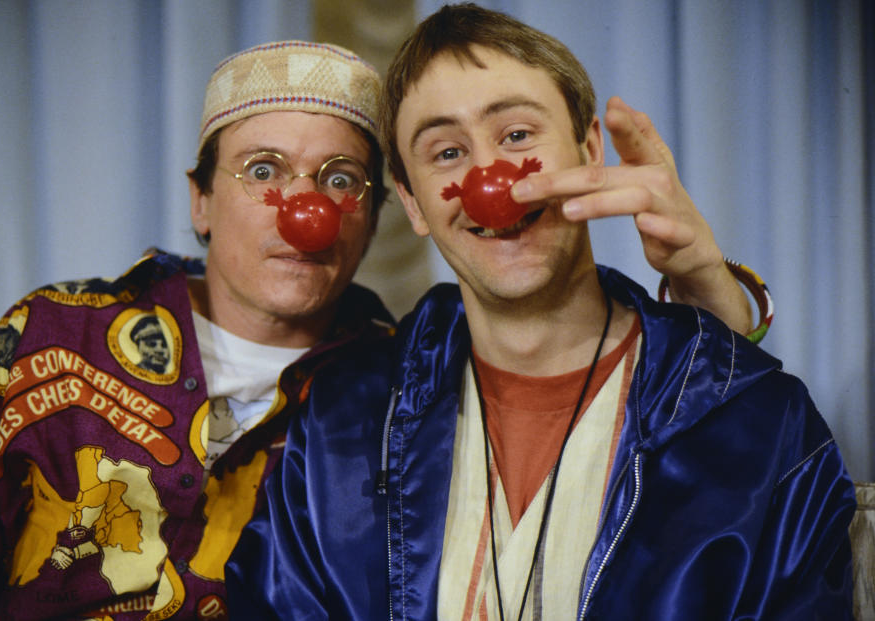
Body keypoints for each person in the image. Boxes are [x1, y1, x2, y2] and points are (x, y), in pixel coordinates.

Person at [0, 33, 768, 621]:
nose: (307, 208)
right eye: (263, 171)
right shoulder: (50, 336)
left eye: (340, 179)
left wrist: (712, 292)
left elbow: (593, 358)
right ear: (200, 200)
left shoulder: (400, 388)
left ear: (380, 214)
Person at [224, 5, 856, 620]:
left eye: (517, 135)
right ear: (414, 205)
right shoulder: (342, 425)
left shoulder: (766, 424)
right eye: (446, 152)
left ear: (588, 151)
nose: (490, 183)